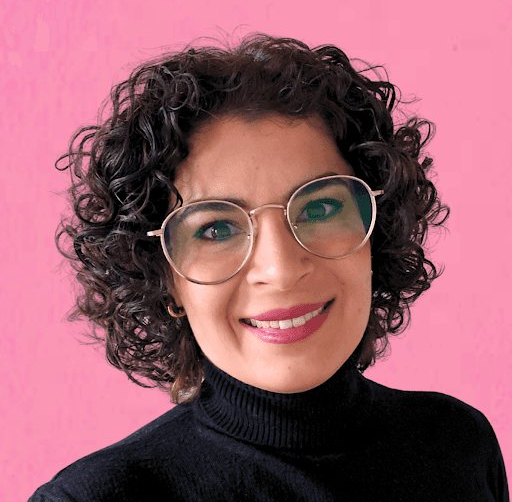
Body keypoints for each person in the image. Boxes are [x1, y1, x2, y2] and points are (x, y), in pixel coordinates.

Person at [30, 33, 509, 501]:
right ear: (164, 279)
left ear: (376, 234)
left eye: (320, 208)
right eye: (216, 229)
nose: (280, 270)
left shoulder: (458, 444)